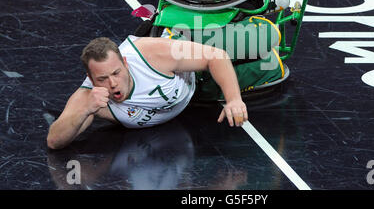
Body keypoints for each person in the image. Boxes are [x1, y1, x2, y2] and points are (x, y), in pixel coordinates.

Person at [47, 35, 248, 150]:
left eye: (116, 73)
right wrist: (85, 110)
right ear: (92, 80)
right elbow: (54, 141)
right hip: (200, 102)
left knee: (263, 39)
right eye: (102, 79)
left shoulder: (149, 54)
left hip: (202, 76)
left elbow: (216, 56)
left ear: (125, 63)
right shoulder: (90, 96)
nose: (113, 83)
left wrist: (234, 100)